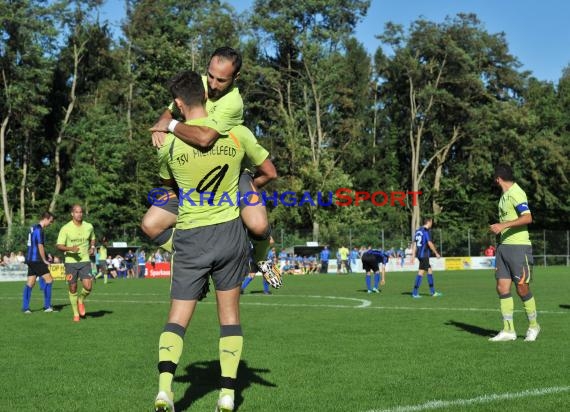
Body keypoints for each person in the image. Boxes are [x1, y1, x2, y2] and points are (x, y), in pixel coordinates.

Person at [153, 70, 276, 412]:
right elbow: (266, 172)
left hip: (190, 237)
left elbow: (170, 191)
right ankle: (226, 394)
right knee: (230, 317)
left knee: (177, 318)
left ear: (178, 104)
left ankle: (165, 389)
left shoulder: (167, 145)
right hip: (229, 236)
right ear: (208, 97)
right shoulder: (237, 133)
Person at [145, 47, 279, 286]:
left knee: (258, 225)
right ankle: (191, 253)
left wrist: (171, 125)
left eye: (221, 80)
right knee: (150, 224)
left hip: (229, 172)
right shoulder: (200, 85)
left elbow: (205, 138)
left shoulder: (233, 102)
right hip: (194, 175)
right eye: (210, 75)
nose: (213, 84)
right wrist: (159, 125)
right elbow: (171, 108)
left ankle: (261, 257)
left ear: (235, 78)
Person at [488, 164, 540, 342]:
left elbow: (527, 217)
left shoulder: (516, 192)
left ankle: (533, 326)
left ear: (498, 179)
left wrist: (502, 225)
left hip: (519, 247)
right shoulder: (503, 196)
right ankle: (508, 330)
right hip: (503, 248)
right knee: (502, 287)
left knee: (522, 287)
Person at [56, 204, 96, 322]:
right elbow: (59, 245)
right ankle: (76, 314)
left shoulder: (89, 226)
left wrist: (93, 247)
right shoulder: (65, 228)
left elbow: (92, 237)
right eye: (76, 212)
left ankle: (81, 299)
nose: (79, 214)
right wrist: (70, 249)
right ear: (72, 214)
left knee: (88, 287)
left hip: (85, 261)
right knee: (73, 287)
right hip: (70, 262)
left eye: (81, 212)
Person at [22, 212, 56, 313]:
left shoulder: (32, 228)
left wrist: (46, 255)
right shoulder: (40, 230)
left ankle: (25, 308)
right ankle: (47, 306)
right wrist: (44, 260)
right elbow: (40, 246)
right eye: (51, 221)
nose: (51, 223)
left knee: (30, 283)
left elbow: (33, 244)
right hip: (37, 260)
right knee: (49, 280)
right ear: (46, 218)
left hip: (30, 259)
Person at [411, 217, 442, 298]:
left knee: (429, 271)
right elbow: (429, 243)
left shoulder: (418, 231)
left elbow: (414, 244)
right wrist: (436, 253)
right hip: (424, 255)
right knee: (421, 273)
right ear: (428, 222)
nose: (432, 224)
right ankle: (415, 292)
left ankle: (433, 292)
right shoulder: (426, 231)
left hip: (420, 254)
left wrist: (413, 255)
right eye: (431, 222)